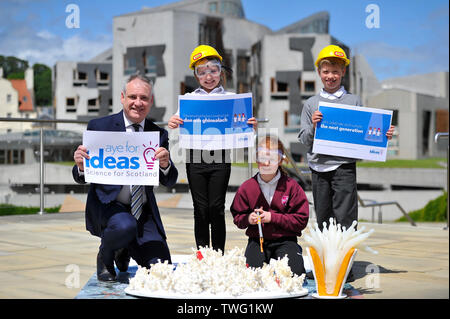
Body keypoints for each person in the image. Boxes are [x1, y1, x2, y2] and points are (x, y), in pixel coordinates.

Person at [73, 74, 178, 281]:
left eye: (144, 98)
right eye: (132, 97)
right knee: (124, 226)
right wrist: (81, 166)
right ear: (122, 97)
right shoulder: (99, 127)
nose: (138, 103)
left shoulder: (158, 134)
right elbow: (80, 177)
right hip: (111, 206)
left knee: (162, 271)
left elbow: (170, 180)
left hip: (143, 210)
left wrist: (165, 165)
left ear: (151, 101)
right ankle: (106, 254)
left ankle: (124, 247)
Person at [168, 45, 257, 252]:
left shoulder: (232, 98)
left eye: (213, 70)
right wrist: (173, 123)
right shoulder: (189, 100)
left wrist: (251, 127)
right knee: (200, 209)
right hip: (195, 160)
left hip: (220, 160)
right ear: (196, 75)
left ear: (220, 72)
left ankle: (217, 254)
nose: (209, 76)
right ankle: (202, 254)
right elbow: (176, 134)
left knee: (216, 208)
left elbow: (245, 134)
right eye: (202, 71)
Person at [298, 44, 395, 231]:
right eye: (326, 71)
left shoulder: (355, 101)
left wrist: (384, 135)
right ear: (319, 72)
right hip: (319, 168)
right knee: (323, 217)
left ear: (343, 71)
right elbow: (304, 139)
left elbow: (365, 133)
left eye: (335, 71)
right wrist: (314, 126)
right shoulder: (311, 104)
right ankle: (327, 257)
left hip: (345, 168)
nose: (330, 76)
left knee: (347, 218)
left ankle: (346, 257)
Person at [230, 135, 309, 276]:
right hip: (257, 240)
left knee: (294, 274)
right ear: (256, 159)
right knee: (253, 275)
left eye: (272, 159)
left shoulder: (292, 186)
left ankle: (292, 256)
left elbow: (301, 220)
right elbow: (238, 216)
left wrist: (272, 217)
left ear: (280, 160)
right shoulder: (247, 187)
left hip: (286, 240)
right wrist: (249, 219)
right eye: (262, 158)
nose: (266, 163)